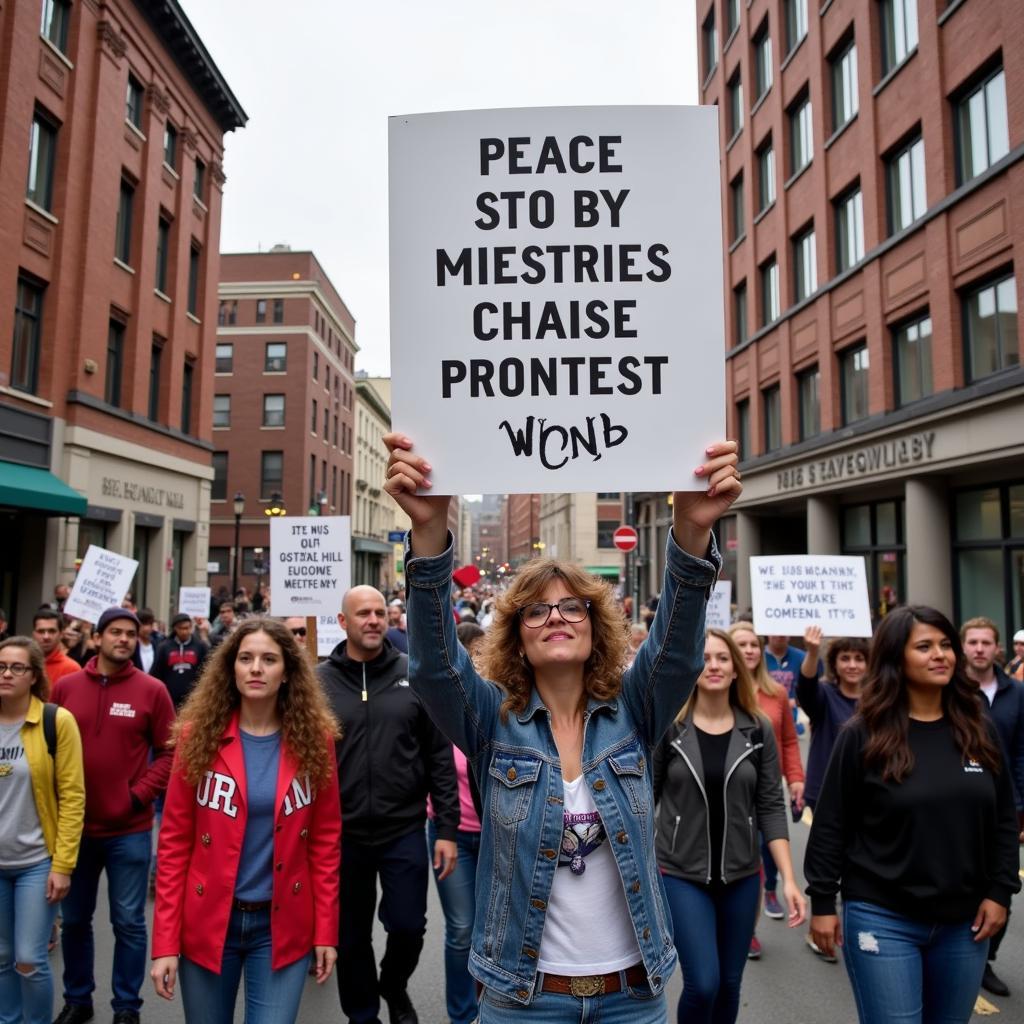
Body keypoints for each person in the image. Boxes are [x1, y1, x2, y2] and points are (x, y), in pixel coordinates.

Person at [384, 431, 740, 1021]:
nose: (556, 617)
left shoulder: (634, 711)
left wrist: (692, 532)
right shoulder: (493, 724)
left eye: (572, 606)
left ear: (595, 627)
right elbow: (433, 667)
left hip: (632, 996)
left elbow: (677, 654)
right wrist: (427, 535)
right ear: (517, 636)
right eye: (536, 609)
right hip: (524, 999)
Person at [805, 606, 1021, 1024]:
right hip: (881, 917)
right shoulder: (862, 734)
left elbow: (1003, 820)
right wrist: (822, 903)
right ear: (895, 658)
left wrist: (1000, 893)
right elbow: (831, 824)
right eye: (924, 646)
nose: (941, 654)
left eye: (945, 645)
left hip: (965, 924)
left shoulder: (979, 728)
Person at [150, 618, 341, 1023]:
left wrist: (326, 931)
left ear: (287, 672)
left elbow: (325, 842)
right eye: (246, 658)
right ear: (230, 668)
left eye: (269, 659)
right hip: (207, 921)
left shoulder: (314, 739)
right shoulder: (196, 735)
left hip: (281, 924)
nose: (256, 668)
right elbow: (173, 844)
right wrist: (165, 942)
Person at [317, 585, 460, 1024]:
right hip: (341, 834)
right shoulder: (318, 682)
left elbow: (439, 754)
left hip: (403, 829)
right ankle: (362, 1014)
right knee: (351, 934)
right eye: (363, 613)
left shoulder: (412, 675)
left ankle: (393, 985)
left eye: (380, 612)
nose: (374, 620)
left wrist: (449, 830)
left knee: (407, 926)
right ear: (343, 623)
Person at [654, 629, 805, 1023]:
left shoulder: (757, 729)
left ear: (737, 669)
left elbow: (771, 804)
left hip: (742, 875)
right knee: (703, 983)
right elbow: (645, 801)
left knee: (730, 983)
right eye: (706, 657)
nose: (715, 665)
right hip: (681, 874)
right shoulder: (671, 729)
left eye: (724, 658)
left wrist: (788, 879)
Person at [50, 607, 176, 1024]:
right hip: (75, 830)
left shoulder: (152, 690)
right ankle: (78, 1000)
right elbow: (47, 748)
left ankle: (126, 1007)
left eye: (130, 634)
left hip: (130, 830)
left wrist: (138, 796)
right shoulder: (66, 687)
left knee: (128, 923)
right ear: (98, 637)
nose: (123, 639)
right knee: (75, 922)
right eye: (115, 632)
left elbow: (170, 753)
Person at [0, 637, 84, 1024]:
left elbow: (72, 796)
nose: (6, 673)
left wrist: (63, 865)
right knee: (1, 958)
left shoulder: (56, 721)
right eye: (1, 666)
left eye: (17, 667)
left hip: (36, 862)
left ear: (34, 676)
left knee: (29, 959)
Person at [728, 622, 805, 957]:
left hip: (765, 793)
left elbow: (788, 741)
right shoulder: (711, 688)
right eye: (741, 645)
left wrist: (797, 777)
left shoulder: (776, 694)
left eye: (753, 645)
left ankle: (749, 928)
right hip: (725, 794)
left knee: (758, 861)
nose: (748, 651)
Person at [961, 616, 1024, 998]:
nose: (980, 649)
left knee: (1003, 883)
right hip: (961, 803)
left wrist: (1020, 802)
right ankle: (959, 954)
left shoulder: (1016, 692)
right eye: (973, 642)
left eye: (987, 642)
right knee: (965, 878)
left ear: (996, 648)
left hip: (1005, 805)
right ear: (963, 647)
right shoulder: (950, 690)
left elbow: (1021, 750)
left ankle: (984, 960)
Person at [429, 624, 486, 1024]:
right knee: (462, 929)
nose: (480, 663)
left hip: (500, 836)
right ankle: (462, 1016)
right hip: (451, 835)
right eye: (474, 656)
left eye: (486, 655)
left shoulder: (503, 705)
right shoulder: (440, 708)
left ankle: (500, 1008)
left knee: (502, 930)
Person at [150, 615, 209, 711]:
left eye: (187, 628)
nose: (185, 632)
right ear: (175, 628)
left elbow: (206, 671)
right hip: (169, 699)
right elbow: (156, 673)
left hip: (193, 700)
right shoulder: (164, 648)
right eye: (181, 628)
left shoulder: (200, 646)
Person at [762, 635, 811, 736]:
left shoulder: (802, 658)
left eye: (784, 631)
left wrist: (797, 701)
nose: (779, 635)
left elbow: (812, 686)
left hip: (794, 724)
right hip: (763, 722)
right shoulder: (757, 656)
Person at [31, 611, 79, 686]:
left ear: (61, 634)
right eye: (41, 631)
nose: (46, 637)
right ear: (33, 634)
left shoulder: (72, 669)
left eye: (52, 631)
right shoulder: (25, 663)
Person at [131, 611, 164, 675]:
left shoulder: (159, 644)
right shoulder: (132, 645)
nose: (147, 628)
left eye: (150, 624)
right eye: (143, 624)